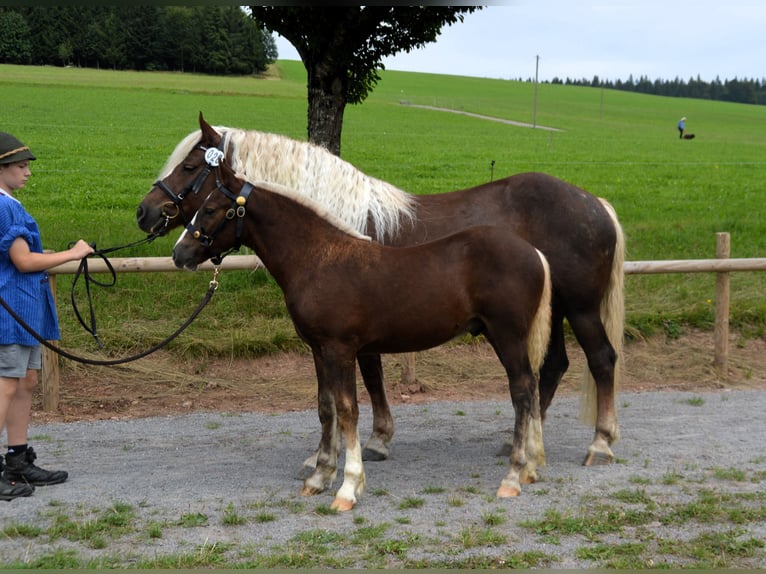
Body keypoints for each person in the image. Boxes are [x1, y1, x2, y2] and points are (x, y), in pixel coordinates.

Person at [0, 132, 94, 501]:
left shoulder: (10, 203)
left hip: (23, 308)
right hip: (10, 309)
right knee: (7, 383)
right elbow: (22, 261)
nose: (28, 172)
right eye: (21, 166)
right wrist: (72, 254)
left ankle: (17, 459)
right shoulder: (5, 207)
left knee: (24, 382)